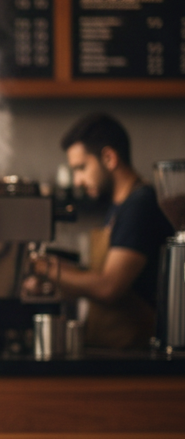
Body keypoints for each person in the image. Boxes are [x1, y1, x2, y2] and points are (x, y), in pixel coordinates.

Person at [26, 113, 173, 349]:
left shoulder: (140, 205)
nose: (77, 181)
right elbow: (97, 276)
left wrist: (43, 266)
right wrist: (53, 272)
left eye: (81, 168)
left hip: (136, 355)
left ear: (109, 157)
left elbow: (109, 287)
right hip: (116, 350)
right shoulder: (120, 205)